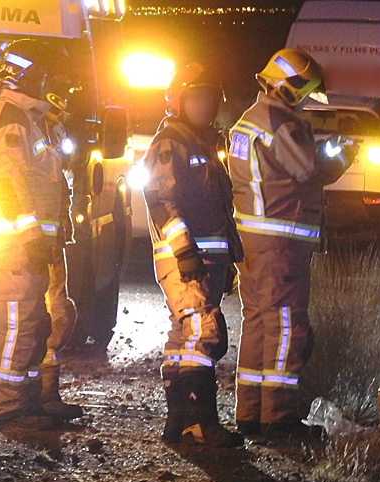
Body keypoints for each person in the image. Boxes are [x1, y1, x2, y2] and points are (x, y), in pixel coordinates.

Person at [228, 49, 355, 440]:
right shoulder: (280, 123)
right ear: (291, 84)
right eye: (305, 91)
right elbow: (309, 170)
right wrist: (342, 156)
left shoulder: (245, 122)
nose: (305, 99)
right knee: (286, 326)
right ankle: (278, 418)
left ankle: (249, 413)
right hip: (281, 242)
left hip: (251, 240)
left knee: (258, 324)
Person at [0, 39, 82, 432]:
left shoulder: (29, 118)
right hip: (13, 243)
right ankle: (7, 409)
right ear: (34, 74)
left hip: (29, 242)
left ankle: (31, 403)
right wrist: (31, 233)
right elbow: (7, 184)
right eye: (56, 76)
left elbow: (44, 184)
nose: (62, 85)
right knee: (18, 324)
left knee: (34, 324)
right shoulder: (11, 118)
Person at [142, 63, 243, 447]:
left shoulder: (203, 143)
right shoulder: (171, 143)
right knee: (205, 332)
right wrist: (184, 251)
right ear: (179, 102)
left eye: (209, 98)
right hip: (186, 258)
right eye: (195, 98)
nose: (203, 105)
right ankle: (202, 425)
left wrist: (229, 259)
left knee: (184, 336)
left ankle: (180, 423)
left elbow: (219, 207)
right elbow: (161, 200)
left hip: (207, 259)